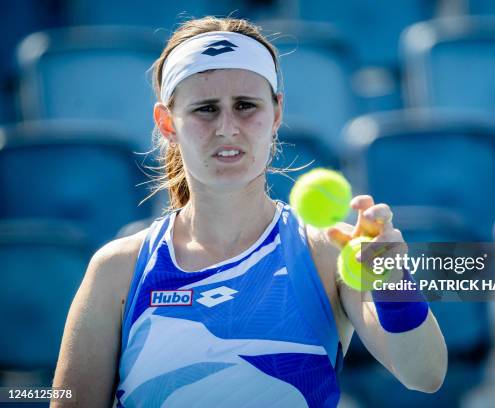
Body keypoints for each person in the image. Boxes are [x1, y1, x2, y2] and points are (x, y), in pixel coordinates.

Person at [52, 16, 447, 407]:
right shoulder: (116, 270)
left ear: (276, 112)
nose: (227, 127)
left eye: (245, 106)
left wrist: (393, 281)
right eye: (206, 109)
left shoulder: (325, 254)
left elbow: (424, 374)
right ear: (167, 122)